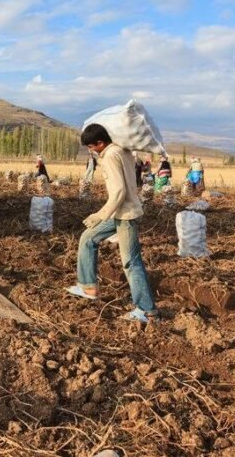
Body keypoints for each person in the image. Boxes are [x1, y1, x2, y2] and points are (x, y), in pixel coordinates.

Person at [65, 124, 158, 323]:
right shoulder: (120, 149)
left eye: (91, 146)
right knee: (88, 238)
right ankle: (88, 286)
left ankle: (147, 311)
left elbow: (118, 191)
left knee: (131, 262)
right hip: (119, 213)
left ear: (100, 143)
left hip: (125, 215)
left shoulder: (110, 156)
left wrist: (100, 215)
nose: (90, 150)